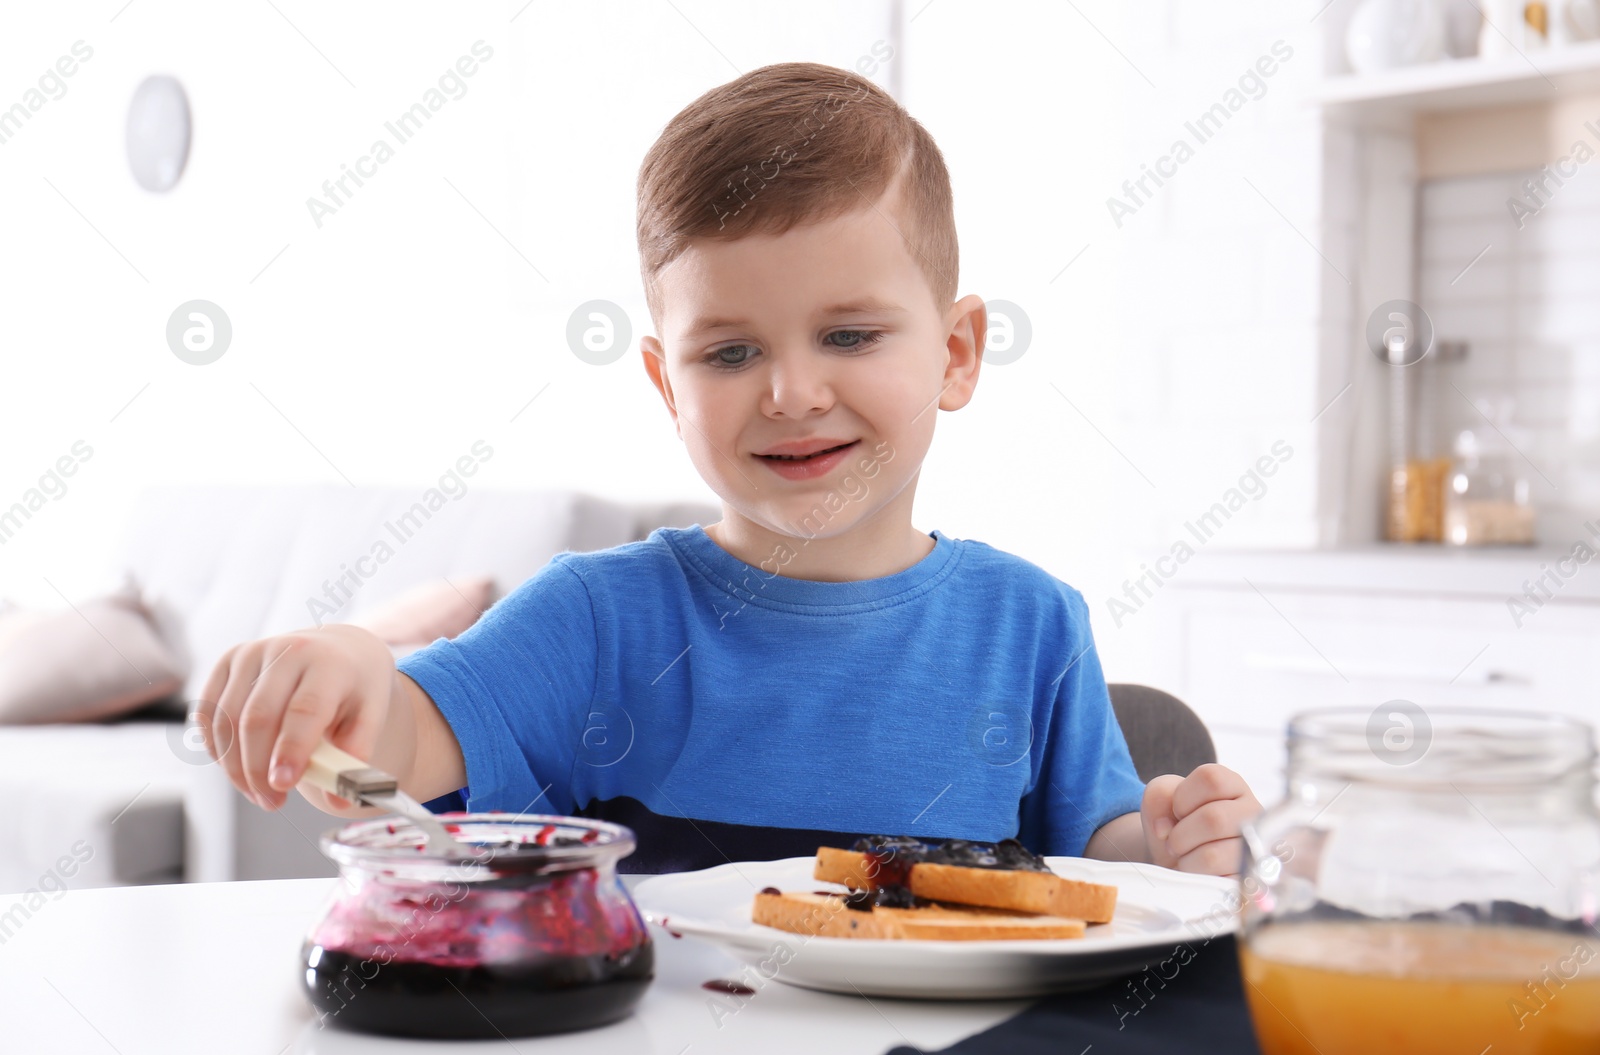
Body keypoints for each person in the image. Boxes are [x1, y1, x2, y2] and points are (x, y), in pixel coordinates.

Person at [199, 61, 1260, 876]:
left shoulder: (1031, 625)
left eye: (848, 335)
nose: (790, 391)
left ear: (956, 352)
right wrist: (344, 665)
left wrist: (1166, 848)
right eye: (730, 351)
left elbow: (1091, 860)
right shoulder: (597, 619)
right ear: (669, 385)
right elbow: (411, 738)